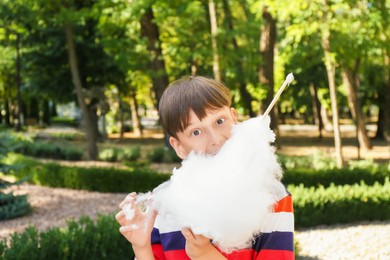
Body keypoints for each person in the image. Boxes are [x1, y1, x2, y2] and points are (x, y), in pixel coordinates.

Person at [115, 76, 294, 260]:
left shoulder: (273, 199)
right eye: (196, 132)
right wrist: (142, 247)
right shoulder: (163, 204)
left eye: (219, 121)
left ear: (234, 117)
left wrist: (205, 255)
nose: (215, 139)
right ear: (178, 146)